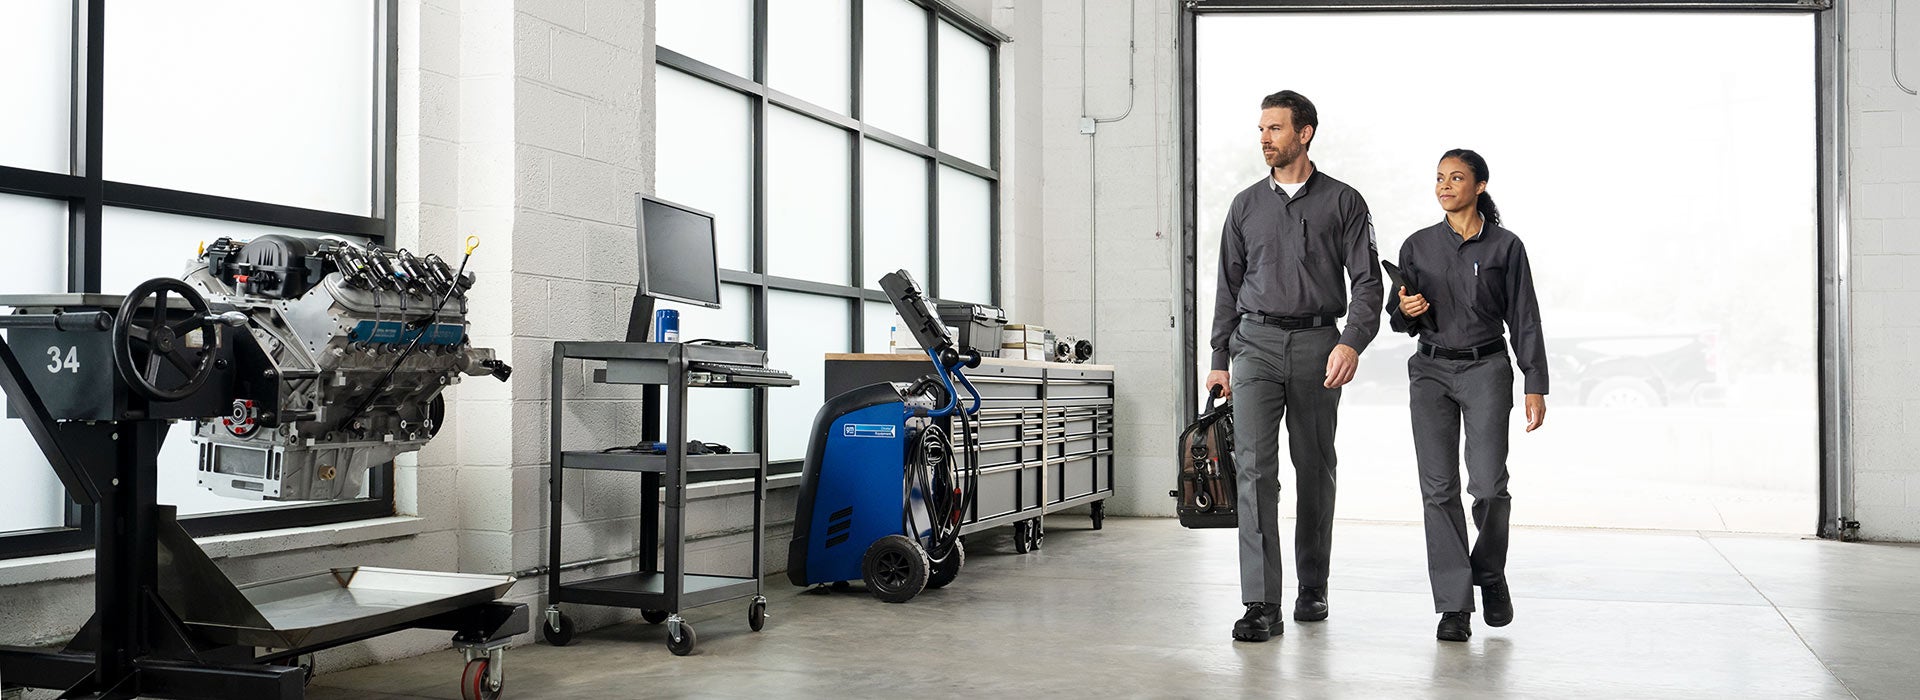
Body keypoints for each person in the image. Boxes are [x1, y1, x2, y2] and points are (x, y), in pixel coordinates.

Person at [1208, 90, 1383, 642]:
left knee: (1314, 467)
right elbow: (1227, 286)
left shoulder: (1344, 202)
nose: (1265, 138)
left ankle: (1313, 585)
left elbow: (1368, 282)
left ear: (1304, 133)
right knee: (1255, 471)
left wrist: (1351, 343)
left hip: (1317, 345)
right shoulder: (1244, 206)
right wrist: (1218, 358)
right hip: (1254, 344)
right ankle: (1261, 602)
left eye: (1275, 128)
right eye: (1261, 129)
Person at [1387, 149, 1548, 642]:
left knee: (1489, 486)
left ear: (1479, 186)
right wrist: (1407, 310)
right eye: (1440, 177)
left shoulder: (1505, 246)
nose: (1444, 185)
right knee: (1438, 490)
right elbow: (1398, 319)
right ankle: (1454, 605)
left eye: (1456, 178)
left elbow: (1525, 316)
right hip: (1430, 372)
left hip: (1487, 369)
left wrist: (1535, 382)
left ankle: (1490, 572)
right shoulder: (1417, 245)